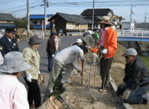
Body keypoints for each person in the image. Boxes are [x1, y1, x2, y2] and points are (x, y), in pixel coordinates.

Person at [22, 35, 42, 108]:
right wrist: (27, 74)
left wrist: (38, 71)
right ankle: (38, 106)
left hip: (34, 73)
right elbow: (25, 62)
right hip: (29, 74)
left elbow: (35, 63)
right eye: (35, 44)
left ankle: (29, 103)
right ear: (31, 44)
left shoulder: (36, 51)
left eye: (38, 44)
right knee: (36, 92)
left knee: (31, 90)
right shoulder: (27, 51)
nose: (37, 45)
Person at [98, 18, 117, 92]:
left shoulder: (112, 32)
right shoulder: (102, 31)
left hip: (108, 54)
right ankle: (105, 85)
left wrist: (107, 49)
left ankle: (104, 86)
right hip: (102, 52)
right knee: (102, 70)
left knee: (105, 71)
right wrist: (98, 48)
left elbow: (113, 45)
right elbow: (100, 41)